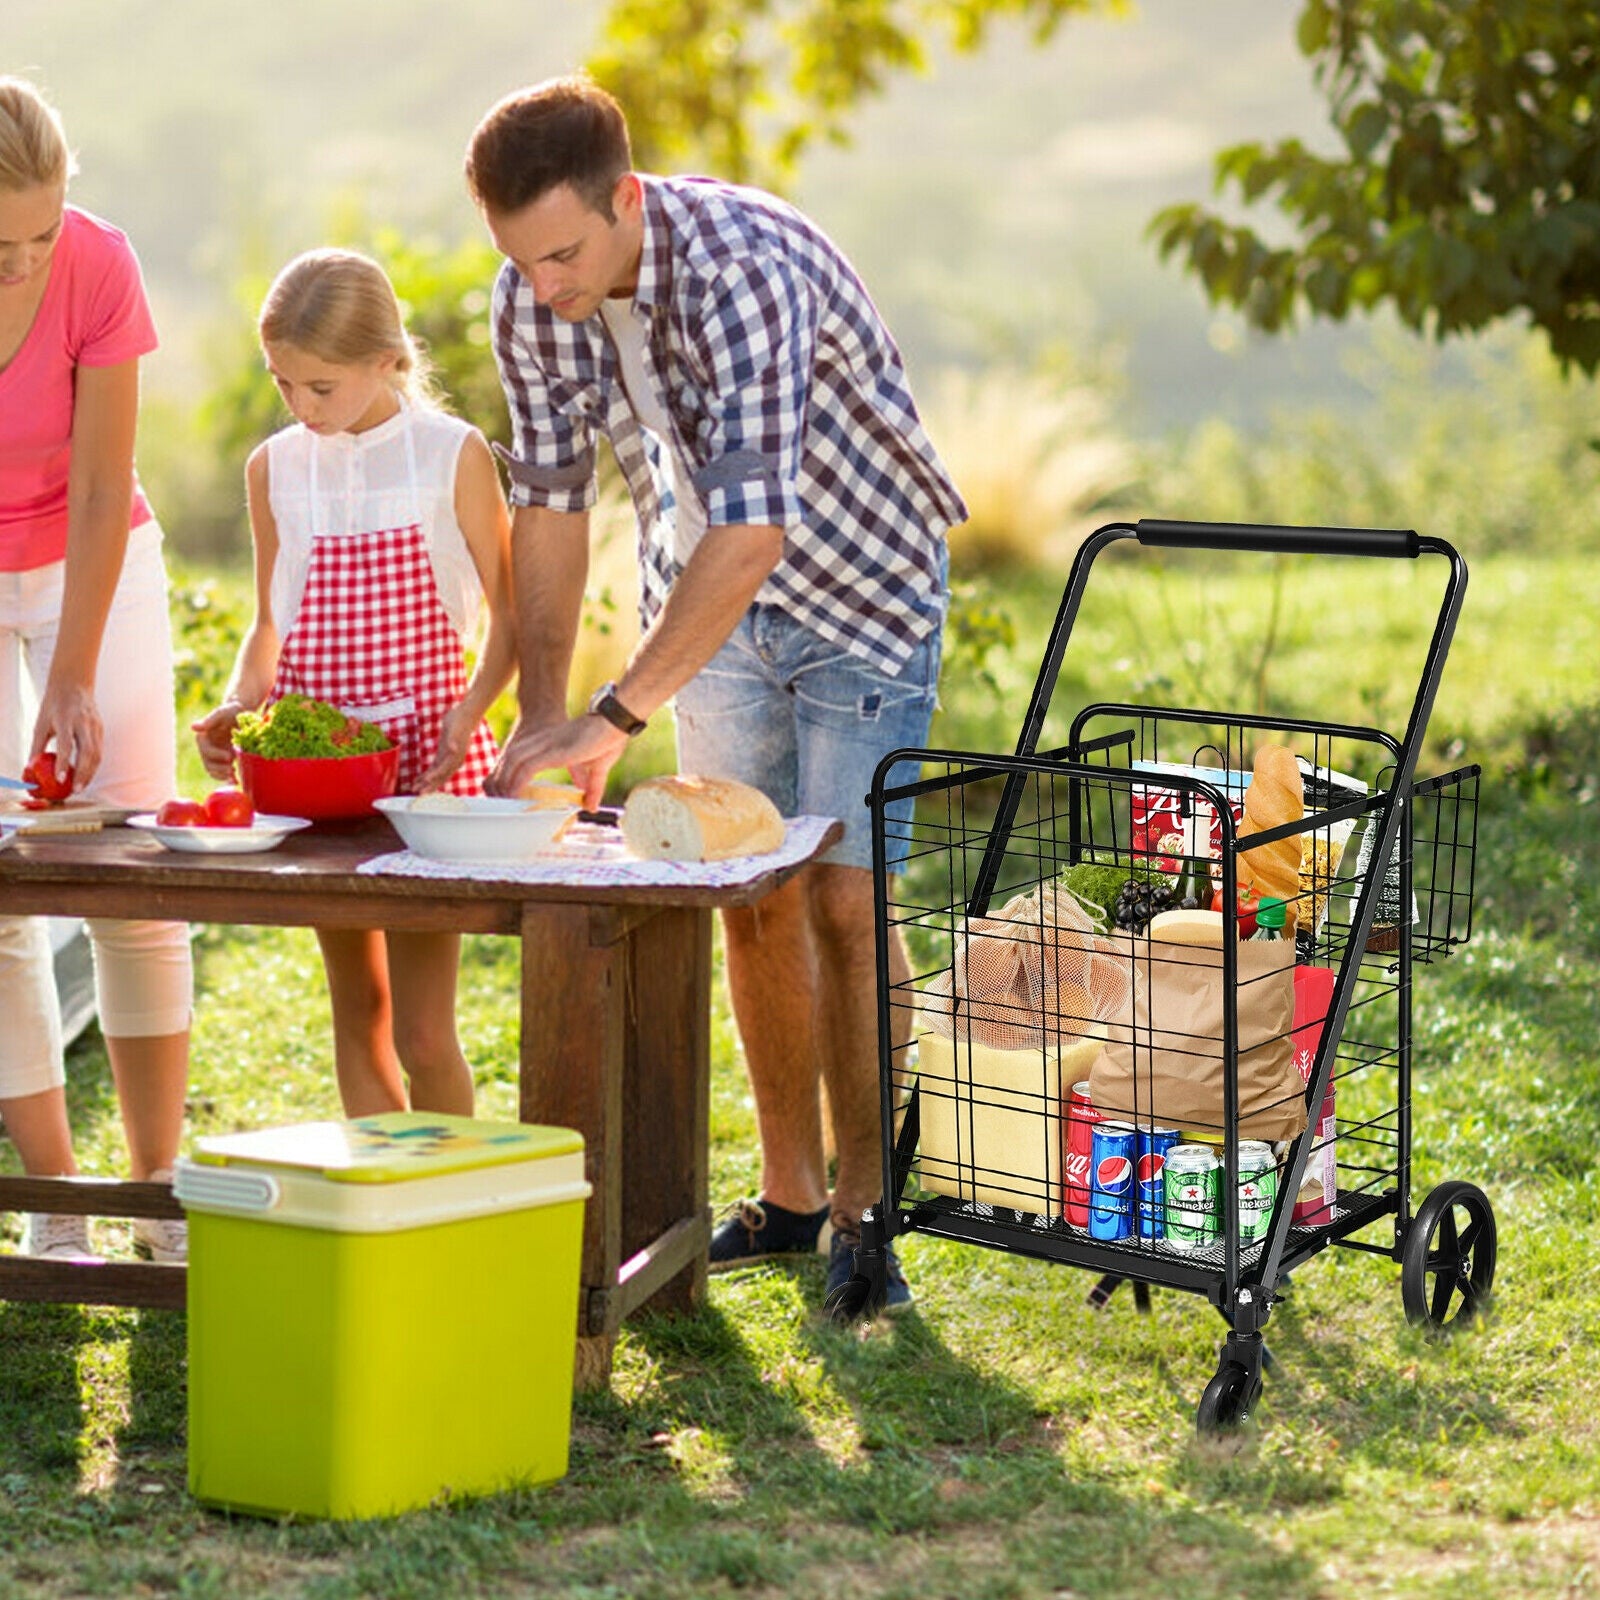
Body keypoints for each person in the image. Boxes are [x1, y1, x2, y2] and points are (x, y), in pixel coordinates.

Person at [464, 76, 966, 1312]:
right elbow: (546, 505)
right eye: (521, 262)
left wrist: (616, 715)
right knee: (745, 892)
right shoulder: (534, 296)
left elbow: (753, 532)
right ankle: (792, 1199)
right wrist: (544, 711)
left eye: (564, 254)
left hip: (860, 590)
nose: (545, 287)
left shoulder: (742, 269)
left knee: (845, 904)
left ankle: (866, 1217)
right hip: (704, 605)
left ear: (627, 199)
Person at [194, 249, 516, 1119]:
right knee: (357, 1013)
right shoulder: (274, 467)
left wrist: (470, 714)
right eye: (283, 383)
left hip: (425, 778)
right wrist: (238, 705)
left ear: (387, 360)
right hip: (317, 785)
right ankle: (386, 1213)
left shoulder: (450, 456)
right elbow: (271, 624)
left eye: (320, 387)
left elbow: (510, 621)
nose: (301, 407)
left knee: (422, 1032)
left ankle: (452, 1201)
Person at [0, 77, 192, 1263]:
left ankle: (157, 1191)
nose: (23, 265)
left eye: (38, 235)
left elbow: (103, 479)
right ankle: (56, 1203)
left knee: (134, 866)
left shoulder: (99, 261)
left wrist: (68, 674)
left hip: (94, 552)